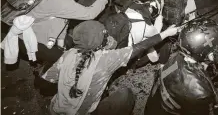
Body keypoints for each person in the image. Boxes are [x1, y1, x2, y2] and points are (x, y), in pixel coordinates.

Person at [41, 20, 179, 115]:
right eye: (104, 33)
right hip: (83, 112)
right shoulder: (107, 59)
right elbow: (139, 47)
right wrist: (166, 33)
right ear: (98, 41)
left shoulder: (69, 54)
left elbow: (50, 79)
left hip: (56, 108)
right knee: (126, 95)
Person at [17, 0, 116, 64]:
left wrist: (60, 44)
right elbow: (90, 13)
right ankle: (43, 78)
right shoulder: (60, 0)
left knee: (63, 51)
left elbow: (62, 20)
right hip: (29, 41)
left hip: (25, 33)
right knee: (64, 62)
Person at [144, 19, 218, 115]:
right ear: (210, 55)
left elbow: (163, 74)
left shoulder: (177, 57)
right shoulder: (201, 93)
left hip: (154, 105)